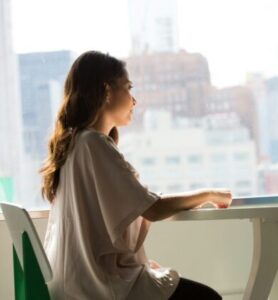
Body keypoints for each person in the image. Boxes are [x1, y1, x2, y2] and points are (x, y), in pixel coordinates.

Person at [40, 50, 232, 300]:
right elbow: (152, 208)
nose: (134, 100)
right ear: (106, 90)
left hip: (72, 283)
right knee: (208, 298)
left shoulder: (73, 144)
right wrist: (208, 194)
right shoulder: (93, 144)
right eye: (128, 88)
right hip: (97, 287)